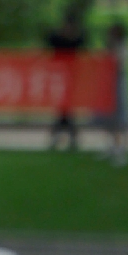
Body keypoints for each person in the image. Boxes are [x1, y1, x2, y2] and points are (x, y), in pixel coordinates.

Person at [47, 10, 85, 151]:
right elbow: (50, 41)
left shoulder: (75, 41)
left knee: (66, 109)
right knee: (62, 109)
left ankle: (63, 136)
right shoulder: (57, 39)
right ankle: (66, 136)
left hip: (72, 78)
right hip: (59, 77)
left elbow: (82, 42)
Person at [107, 23, 128, 168]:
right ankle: (112, 145)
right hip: (108, 84)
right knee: (109, 117)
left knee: (120, 117)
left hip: (118, 83)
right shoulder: (108, 48)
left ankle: (122, 149)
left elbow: (120, 64)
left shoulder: (122, 48)